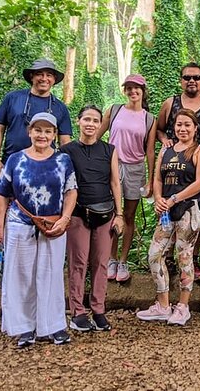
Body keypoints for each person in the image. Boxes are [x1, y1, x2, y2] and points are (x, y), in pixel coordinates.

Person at [0, 112, 77, 347]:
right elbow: (2, 194)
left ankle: (54, 325)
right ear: (29, 132)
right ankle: (24, 328)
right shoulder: (15, 160)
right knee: (21, 276)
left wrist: (65, 218)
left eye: (48, 131)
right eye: (38, 130)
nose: (42, 135)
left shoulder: (62, 160)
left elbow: (71, 191)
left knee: (51, 275)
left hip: (53, 225)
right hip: (20, 224)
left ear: (54, 135)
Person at [137, 108, 200, 325]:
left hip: (188, 210)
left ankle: (183, 306)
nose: (183, 128)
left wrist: (175, 198)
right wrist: (159, 199)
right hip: (167, 211)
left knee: (184, 256)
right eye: (179, 124)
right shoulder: (166, 150)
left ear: (195, 128)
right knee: (155, 254)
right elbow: (158, 178)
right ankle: (163, 304)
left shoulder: (199, 149)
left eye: (187, 124)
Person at [156, 62, 200, 279]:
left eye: (196, 77)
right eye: (187, 77)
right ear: (181, 80)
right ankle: (168, 259)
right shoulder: (171, 104)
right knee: (169, 212)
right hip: (174, 168)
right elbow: (159, 129)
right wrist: (166, 140)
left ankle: (192, 260)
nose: (192, 81)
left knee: (198, 217)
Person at [62, 106, 124, 332]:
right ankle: (77, 311)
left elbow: (115, 183)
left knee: (100, 263)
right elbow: (63, 185)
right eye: (86, 119)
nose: (90, 124)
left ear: (101, 125)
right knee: (78, 263)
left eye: (95, 120)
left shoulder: (109, 150)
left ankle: (98, 309)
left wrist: (119, 214)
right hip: (78, 214)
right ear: (78, 121)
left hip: (105, 213)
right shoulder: (66, 151)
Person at [98, 74, 156, 283]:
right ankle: (110, 259)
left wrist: (150, 180)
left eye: (137, 88)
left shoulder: (149, 119)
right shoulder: (114, 110)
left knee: (129, 215)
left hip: (135, 168)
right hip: (111, 165)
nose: (133, 92)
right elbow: (97, 136)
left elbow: (150, 151)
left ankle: (123, 261)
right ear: (125, 91)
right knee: (112, 213)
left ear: (143, 90)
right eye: (129, 88)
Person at [0, 59, 73, 180]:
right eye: (39, 74)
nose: (44, 78)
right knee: (5, 198)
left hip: (46, 167)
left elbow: (65, 141)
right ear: (31, 76)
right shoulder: (13, 98)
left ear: (54, 79)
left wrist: (67, 167)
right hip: (11, 164)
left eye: (49, 75)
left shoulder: (60, 108)